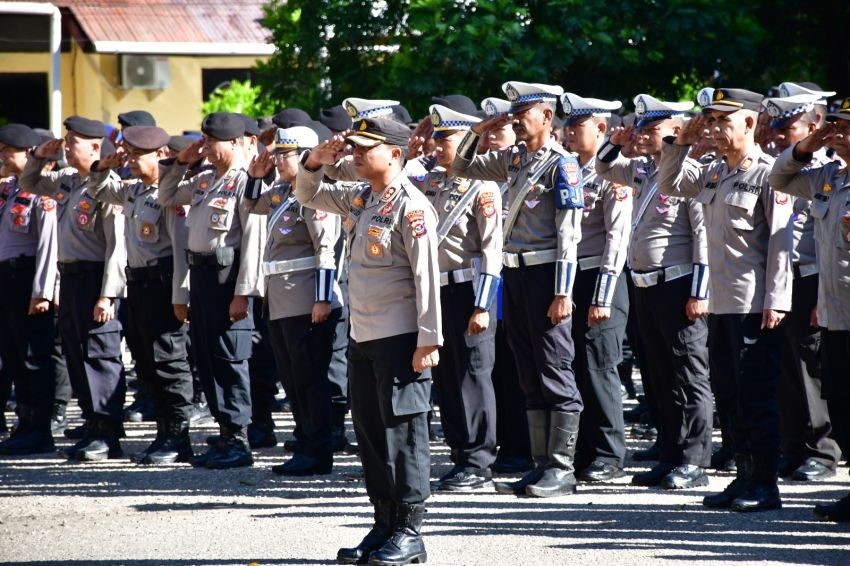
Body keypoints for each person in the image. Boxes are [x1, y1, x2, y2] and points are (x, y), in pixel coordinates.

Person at [295, 116, 440, 566]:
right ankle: (384, 522)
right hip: (363, 333)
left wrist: (428, 338)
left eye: (364, 149)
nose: (355, 156)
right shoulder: (362, 196)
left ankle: (410, 531)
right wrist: (315, 160)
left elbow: (427, 277)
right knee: (372, 434)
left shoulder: (411, 206)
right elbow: (309, 192)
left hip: (401, 337)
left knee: (403, 433)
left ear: (395, 154)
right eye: (353, 149)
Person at [659, 88, 794, 512]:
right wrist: (683, 142)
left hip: (755, 306)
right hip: (720, 304)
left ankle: (765, 484)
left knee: (756, 396)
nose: (715, 131)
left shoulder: (769, 175)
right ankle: (743, 475)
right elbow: (669, 182)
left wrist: (777, 300)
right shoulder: (714, 173)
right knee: (729, 394)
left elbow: (780, 244)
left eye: (723, 123)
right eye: (711, 122)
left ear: (750, 123)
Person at [453, 81, 585, 498]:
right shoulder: (513, 160)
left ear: (546, 117)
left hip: (547, 276)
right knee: (529, 372)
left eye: (521, 113)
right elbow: (460, 166)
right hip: (515, 274)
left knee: (554, 368)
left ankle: (563, 468)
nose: (514, 120)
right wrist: (478, 131)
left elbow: (570, 235)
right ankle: (541, 462)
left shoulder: (561, 166)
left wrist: (563, 292)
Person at [596, 95, 714, 489]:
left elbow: (703, 237)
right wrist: (618, 141)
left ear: (676, 133)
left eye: (651, 129)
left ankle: (695, 460)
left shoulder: (690, 173)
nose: (643, 136)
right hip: (646, 286)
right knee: (658, 375)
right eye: (641, 128)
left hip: (679, 284)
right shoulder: (646, 171)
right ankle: (670, 452)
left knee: (689, 374)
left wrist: (700, 292)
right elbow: (603, 167)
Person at [159, 112, 264, 469]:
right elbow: (166, 195)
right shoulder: (204, 179)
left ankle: (239, 439)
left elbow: (253, 240)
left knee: (230, 360)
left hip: (228, 277)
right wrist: (178, 163)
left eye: (211, 142)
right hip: (202, 278)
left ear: (235, 143)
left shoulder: (248, 181)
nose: (204, 147)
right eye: (203, 141)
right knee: (205, 357)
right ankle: (224, 433)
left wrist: (244, 292)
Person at [85, 125, 195, 465]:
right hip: (139, 284)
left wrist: (181, 296)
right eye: (128, 154)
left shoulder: (170, 194)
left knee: (170, 362)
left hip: (163, 284)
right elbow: (99, 189)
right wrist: (105, 165)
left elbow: (179, 249)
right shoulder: (132, 191)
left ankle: (178, 437)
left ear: (161, 156)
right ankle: (163, 434)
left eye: (137, 155)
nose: (130, 161)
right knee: (148, 364)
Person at [20, 116, 128, 461]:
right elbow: (29, 181)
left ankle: (108, 431)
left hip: (95, 278)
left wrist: (108, 294)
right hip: (70, 278)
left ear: (96, 147)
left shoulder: (107, 186)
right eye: (66, 141)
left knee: (100, 355)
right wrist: (39, 156)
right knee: (76, 352)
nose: (66, 147)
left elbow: (117, 246)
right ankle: (91, 423)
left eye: (73, 142)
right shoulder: (66, 179)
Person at [768, 97, 850, 521]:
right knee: (838, 396)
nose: (841, 133)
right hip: (833, 306)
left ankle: (827, 456)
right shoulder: (829, 178)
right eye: (836, 125)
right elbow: (779, 176)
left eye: (847, 126)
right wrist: (809, 144)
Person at [245, 126, 343, 475]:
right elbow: (252, 206)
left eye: (284, 154)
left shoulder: (316, 194)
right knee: (292, 378)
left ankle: (317, 452)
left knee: (309, 379)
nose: (277, 158)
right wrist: (255, 177)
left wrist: (322, 298)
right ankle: (304, 443)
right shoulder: (280, 193)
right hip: (281, 300)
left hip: (306, 301)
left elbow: (326, 249)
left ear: (304, 156)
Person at [415, 104, 502, 491]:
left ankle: (478, 461)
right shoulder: (433, 181)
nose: (437, 145)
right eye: (435, 138)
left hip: (470, 290)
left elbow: (491, 250)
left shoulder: (482, 186)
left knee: (473, 375)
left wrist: (483, 305)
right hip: (439, 289)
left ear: (468, 138)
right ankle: (458, 454)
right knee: (447, 376)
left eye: (445, 137)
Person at [560, 93, 633, 482]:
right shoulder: (569, 169)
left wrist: (602, 296)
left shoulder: (613, 174)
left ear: (601, 129)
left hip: (603, 278)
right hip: (573, 278)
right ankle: (586, 449)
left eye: (577, 126)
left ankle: (609, 452)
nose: (569, 133)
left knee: (600, 365)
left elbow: (616, 239)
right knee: (576, 366)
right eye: (567, 126)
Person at [0, 124, 59, 455]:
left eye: (10, 150)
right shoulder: (8, 190)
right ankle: (23, 424)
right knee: (12, 356)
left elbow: (49, 245)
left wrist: (42, 291)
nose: (4, 155)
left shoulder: (41, 193)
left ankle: (39, 429)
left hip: (26, 279)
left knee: (34, 357)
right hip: (5, 280)